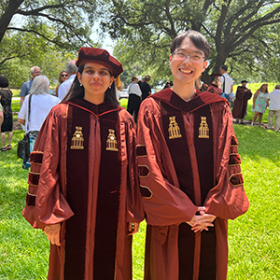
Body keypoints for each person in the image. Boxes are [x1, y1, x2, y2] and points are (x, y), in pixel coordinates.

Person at [22, 47, 144, 280]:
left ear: (111, 81)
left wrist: (132, 213)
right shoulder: (61, 115)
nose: (96, 77)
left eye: (103, 73)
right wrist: (51, 218)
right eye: (89, 71)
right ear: (79, 77)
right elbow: (45, 169)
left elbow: (133, 173)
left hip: (115, 220)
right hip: (68, 220)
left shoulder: (123, 120)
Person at [137, 30, 249, 280]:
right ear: (170, 58)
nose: (187, 62)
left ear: (205, 65)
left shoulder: (217, 107)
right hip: (171, 220)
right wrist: (185, 212)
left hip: (210, 217)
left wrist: (215, 207)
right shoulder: (152, 107)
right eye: (181, 54)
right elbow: (148, 167)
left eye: (196, 56)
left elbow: (229, 161)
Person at [18, 76, 60, 169]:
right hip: (50, 132)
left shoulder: (28, 98)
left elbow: (20, 119)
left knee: (34, 161)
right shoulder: (56, 100)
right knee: (48, 160)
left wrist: (29, 125)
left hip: (33, 132)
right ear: (47, 86)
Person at [0, 76, 13, 151]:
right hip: (9, 110)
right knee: (10, 129)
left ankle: (3, 146)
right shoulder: (10, 91)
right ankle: (9, 145)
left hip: (3, 111)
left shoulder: (0, 92)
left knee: (3, 130)